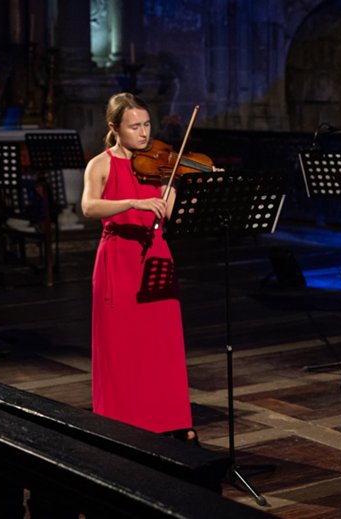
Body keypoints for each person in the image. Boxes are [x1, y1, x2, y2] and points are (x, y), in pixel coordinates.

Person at [81, 92, 195, 442]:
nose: (144, 133)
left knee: (163, 345)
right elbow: (88, 207)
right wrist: (132, 201)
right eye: (134, 126)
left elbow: (171, 212)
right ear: (115, 128)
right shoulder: (100, 164)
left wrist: (179, 182)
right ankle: (119, 422)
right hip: (118, 259)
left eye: (146, 124)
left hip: (156, 255)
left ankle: (172, 419)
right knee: (120, 347)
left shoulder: (159, 164)